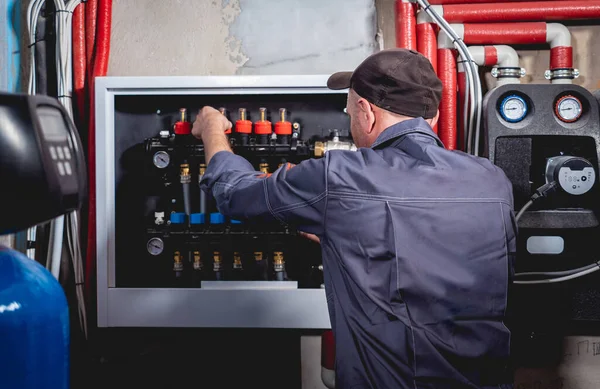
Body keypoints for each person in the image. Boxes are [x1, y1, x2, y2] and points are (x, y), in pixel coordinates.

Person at [192, 48, 516, 389]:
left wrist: (213, 130)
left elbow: (234, 195)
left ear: (366, 113)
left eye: (349, 112)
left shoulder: (339, 176)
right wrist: (345, 236)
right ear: (432, 120)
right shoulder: (492, 181)